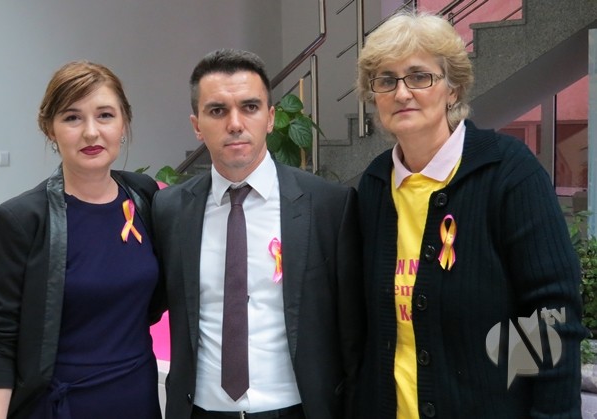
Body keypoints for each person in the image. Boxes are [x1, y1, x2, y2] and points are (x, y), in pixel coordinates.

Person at [354, 11, 585, 419]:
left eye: (419, 76)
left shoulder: (508, 173)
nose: (402, 92)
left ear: (453, 88)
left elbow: (552, 319)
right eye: (386, 80)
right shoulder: (374, 185)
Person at [151, 48, 365, 419]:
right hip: (200, 410)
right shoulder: (170, 210)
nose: (235, 123)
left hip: (295, 409)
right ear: (197, 125)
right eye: (217, 111)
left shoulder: (328, 206)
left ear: (270, 117)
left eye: (249, 107)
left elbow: (353, 335)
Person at [0, 61, 163, 419]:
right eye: (72, 118)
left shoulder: (144, 196)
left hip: (137, 393)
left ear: (124, 123)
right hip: (61, 404)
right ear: (50, 129)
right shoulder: (23, 218)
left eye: (105, 115)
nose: (91, 132)